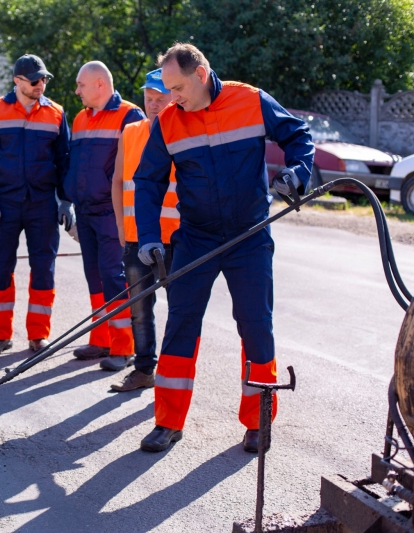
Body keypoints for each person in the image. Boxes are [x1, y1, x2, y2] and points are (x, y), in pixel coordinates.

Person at [133, 43, 314, 453]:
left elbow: (298, 136)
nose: (169, 98)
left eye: (177, 88)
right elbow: (148, 182)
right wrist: (148, 238)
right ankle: (168, 422)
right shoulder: (167, 123)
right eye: (166, 89)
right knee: (181, 323)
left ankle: (258, 422)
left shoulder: (249, 100)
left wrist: (297, 174)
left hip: (249, 235)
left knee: (256, 326)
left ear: (200, 74)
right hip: (195, 237)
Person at [0, 54, 72, 356]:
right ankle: (0, 335)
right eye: (34, 80)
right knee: (1, 269)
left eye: (44, 79)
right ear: (17, 81)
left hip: (42, 204)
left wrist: (66, 200)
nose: (41, 84)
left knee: (44, 269)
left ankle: (38, 336)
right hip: (3, 204)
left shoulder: (55, 113)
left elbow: (64, 161)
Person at [64, 61, 146, 371]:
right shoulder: (81, 118)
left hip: (113, 214)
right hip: (85, 212)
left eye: (81, 85)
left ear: (100, 84)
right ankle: (101, 340)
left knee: (114, 278)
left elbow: (138, 170)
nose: (77, 91)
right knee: (95, 278)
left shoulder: (130, 115)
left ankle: (123, 348)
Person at [110, 69, 178, 392]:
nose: (152, 104)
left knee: (180, 311)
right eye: (148, 98)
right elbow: (117, 182)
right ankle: (143, 369)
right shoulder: (131, 131)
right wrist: (123, 230)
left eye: (159, 99)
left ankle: (172, 374)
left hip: (175, 237)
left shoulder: (184, 131)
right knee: (139, 309)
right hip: (136, 236)